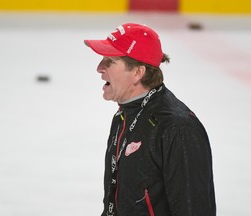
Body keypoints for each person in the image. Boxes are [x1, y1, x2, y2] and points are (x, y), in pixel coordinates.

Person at [84, 23, 216, 216]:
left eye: (109, 61)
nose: (99, 68)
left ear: (138, 72)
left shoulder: (177, 128)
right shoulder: (125, 114)